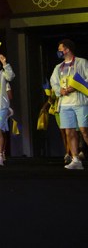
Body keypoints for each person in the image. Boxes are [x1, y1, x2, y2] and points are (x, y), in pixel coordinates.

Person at [50, 39, 88, 170]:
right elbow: (54, 82)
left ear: (67, 49)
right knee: (69, 131)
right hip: (65, 104)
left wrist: (77, 86)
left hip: (80, 102)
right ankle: (76, 159)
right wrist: (59, 90)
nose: (59, 51)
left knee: (84, 130)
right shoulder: (58, 67)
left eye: (60, 49)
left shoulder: (82, 62)